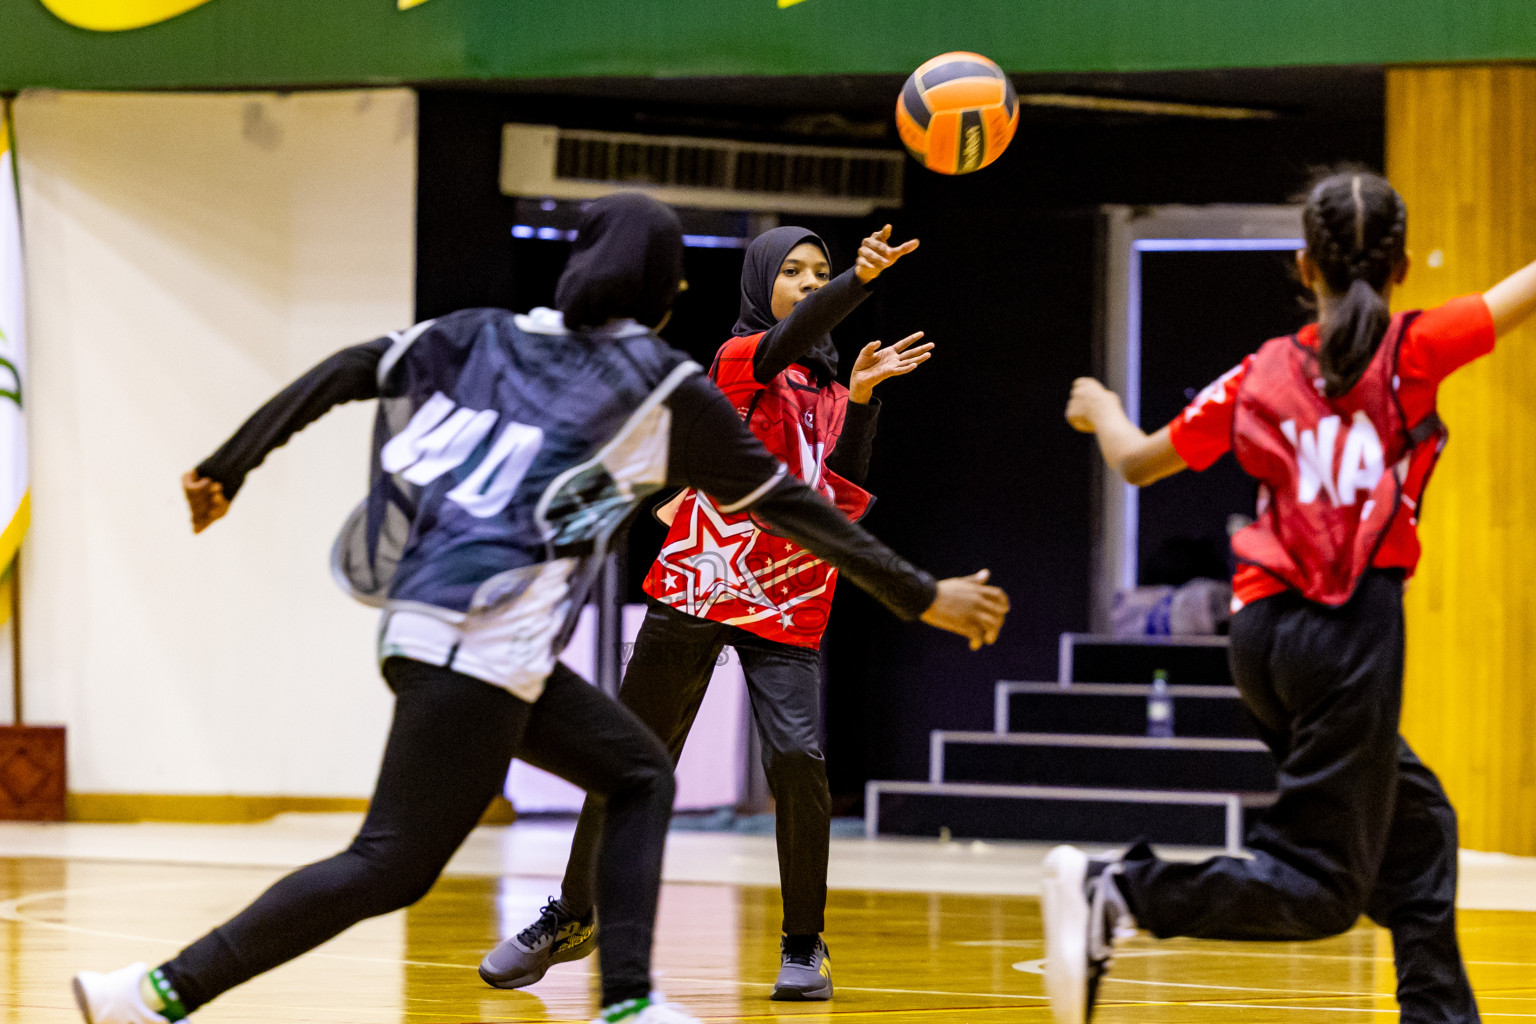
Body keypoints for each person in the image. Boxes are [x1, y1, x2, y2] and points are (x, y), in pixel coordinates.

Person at [69, 193, 1010, 1024]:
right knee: (402, 860)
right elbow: (795, 504)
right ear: (673, 296)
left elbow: (352, 364)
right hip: (490, 642)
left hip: (426, 626)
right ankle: (622, 993)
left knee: (625, 777)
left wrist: (228, 464)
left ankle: (146, 997)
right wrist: (921, 593)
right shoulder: (667, 382)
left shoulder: (481, 331)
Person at [1046, 169, 1536, 1024]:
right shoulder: (1414, 347)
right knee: (1319, 891)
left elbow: (1136, 462)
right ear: (1405, 265)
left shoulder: (1263, 369)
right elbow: (1515, 293)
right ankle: (1121, 890)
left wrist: (1105, 408)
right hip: (1346, 632)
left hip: (1261, 638)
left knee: (1418, 827)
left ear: (1304, 265)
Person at [480, 224, 934, 1002]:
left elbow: (841, 495)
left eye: (818, 272)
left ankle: (804, 943)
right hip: (699, 583)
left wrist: (860, 403)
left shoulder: (828, 389)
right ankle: (572, 915)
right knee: (625, 756)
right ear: (762, 284)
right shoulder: (739, 358)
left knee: (798, 761)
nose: (806, 282)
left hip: (789, 594)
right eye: (793, 271)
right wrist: (855, 280)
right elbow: (793, 334)